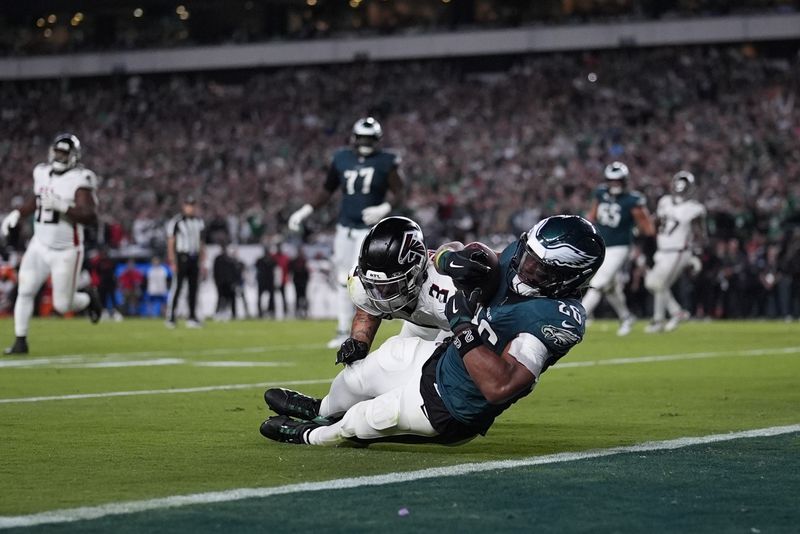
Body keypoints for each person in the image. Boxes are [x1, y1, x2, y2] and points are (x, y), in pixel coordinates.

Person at [259, 215, 605, 447]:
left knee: (370, 417)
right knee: (373, 368)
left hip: (452, 402)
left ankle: (312, 435)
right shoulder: (520, 258)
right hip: (445, 356)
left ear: (569, 277)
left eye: (539, 270)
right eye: (527, 255)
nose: (525, 268)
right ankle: (322, 407)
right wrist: (459, 259)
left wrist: (462, 327)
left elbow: (499, 386)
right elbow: (485, 260)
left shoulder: (556, 318)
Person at [287, 117, 406, 349]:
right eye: (362, 138)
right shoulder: (342, 158)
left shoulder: (386, 161)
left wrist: (385, 207)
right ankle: (342, 329)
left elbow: (400, 190)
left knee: (357, 279)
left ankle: (360, 331)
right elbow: (326, 190)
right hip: (345, 228)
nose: (365, 142)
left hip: (369, 231)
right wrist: (304, 211)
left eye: (369, 139)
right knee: (343, 278)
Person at [332, 216, 493, 366]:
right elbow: (367, 311)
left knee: (428, 376)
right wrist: (358, 344)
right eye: (374, 285)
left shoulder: (445, 290)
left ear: (416, 272)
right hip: (419, 325)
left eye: (390, 286)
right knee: (382, 366)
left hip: (452, 326)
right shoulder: (362, 283)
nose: (381, 293)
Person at [1, 133, 102, 355]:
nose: (59, 156)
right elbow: (38, 199)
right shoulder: (42, 172)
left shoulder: (81, 179)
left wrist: (63, 206)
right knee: (25, 290)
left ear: (73, 155)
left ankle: (88, 298)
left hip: (66, 250)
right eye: (57, 152)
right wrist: (18, 214)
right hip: (39, 244)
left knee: (62, 305)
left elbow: (91, 217)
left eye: (64, 153)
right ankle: (20, 340)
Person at [582, 161, 656, 336]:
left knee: (598, 283)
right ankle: (626, 316)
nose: (615, 184)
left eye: (618, 181)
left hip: (620, 247)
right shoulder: (600, 193)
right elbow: (592, 215)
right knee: (610, 287)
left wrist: (639, 235)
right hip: (601, 245)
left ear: (625, 181)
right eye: (612, 181)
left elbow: (648, 228)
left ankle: (577, 317)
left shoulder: (633, 200)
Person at [644, 171, 706, 333]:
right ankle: (676, 312)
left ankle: (658, 321)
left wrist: (696, 255)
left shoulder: (695, 208)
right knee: (653, 284)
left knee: (658, 284)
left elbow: (701, 234)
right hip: (663, 250)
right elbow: (656, 222)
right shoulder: (664, 202)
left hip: (679, 251)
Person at [165, 196, 205, 328]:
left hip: (194, 258)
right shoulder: (177, 221)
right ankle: (171, 317)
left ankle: (192, 317)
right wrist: (172, 261)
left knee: (193, 289)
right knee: (177, 287)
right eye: (189, 205)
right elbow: (171, 242)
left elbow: (201, 243)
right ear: (184, 206)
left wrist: (202, 262)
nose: (191, 208)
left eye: (193, 205)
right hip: (181, 257)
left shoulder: (199, 222)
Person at [255, 246, 277, 318]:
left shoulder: (272, 260)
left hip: (270, 281)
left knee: (271, 297)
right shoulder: (260, 260)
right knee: (260, 297)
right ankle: (260, 311)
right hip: (262, 281)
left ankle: (271, 310)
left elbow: (276, 269)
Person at [289, 248, 310, 319]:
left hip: (303, 281)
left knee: (304, 296)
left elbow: (307, 272)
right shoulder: (294, 261)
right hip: (297, 281)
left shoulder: (304, 261)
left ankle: (305, 310)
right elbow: (291, 270)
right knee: (297, 296)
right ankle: (297, 310)